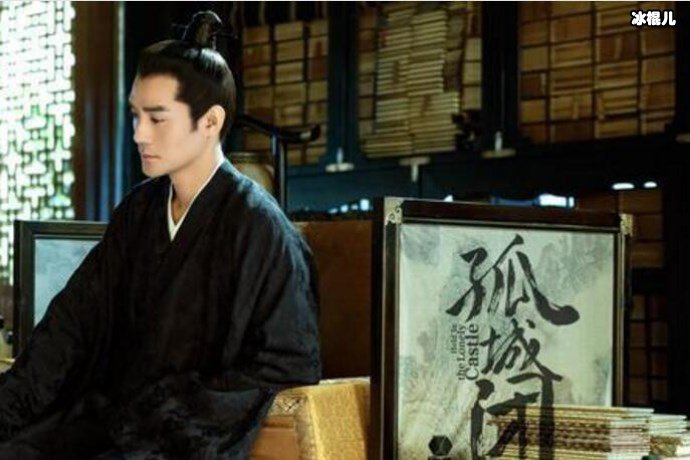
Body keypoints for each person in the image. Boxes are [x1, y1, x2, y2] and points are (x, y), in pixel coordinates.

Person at [0, 11, 321, 459]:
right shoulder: (138, 210)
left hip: (183, 434)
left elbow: (287, 363)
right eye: (136, 116)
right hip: (113, 417)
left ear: (210, 122)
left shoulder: (260, 228)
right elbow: (73, 323)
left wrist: (165, 415)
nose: (139, 134)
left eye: (157, 119)